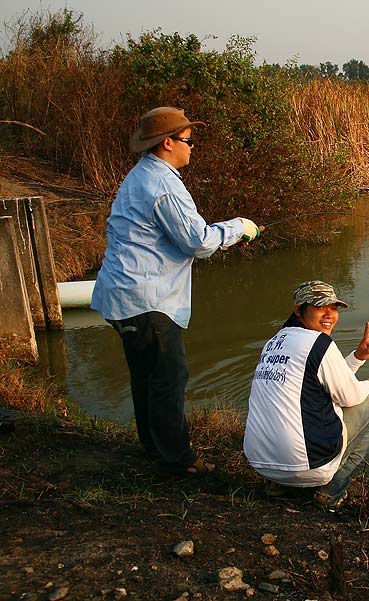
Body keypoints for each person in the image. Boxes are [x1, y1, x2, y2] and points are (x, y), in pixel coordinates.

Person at [91, 106, 260, 475]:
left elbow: (177, 240)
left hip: (125, 296)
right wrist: (240, 226)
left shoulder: (142, 176)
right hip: (146, 300)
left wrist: (227, 240)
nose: (193, 147)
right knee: (168, 379)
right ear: (168, 143)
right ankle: (178, 463)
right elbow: (197, 241)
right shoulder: (164, 185)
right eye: (188, 140)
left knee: (147, 376)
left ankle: (154, 449)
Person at [243, 280, 369, 506]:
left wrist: (358, 357)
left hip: (261, 464)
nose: (329, 315)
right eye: (320, 307)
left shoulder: (274, 342)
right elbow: (347, 395)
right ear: (299, 310)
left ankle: (278, 487)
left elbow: (325, 380)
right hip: (305, 466)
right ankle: (330, 492)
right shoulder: (317, 342)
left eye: (334, 308)